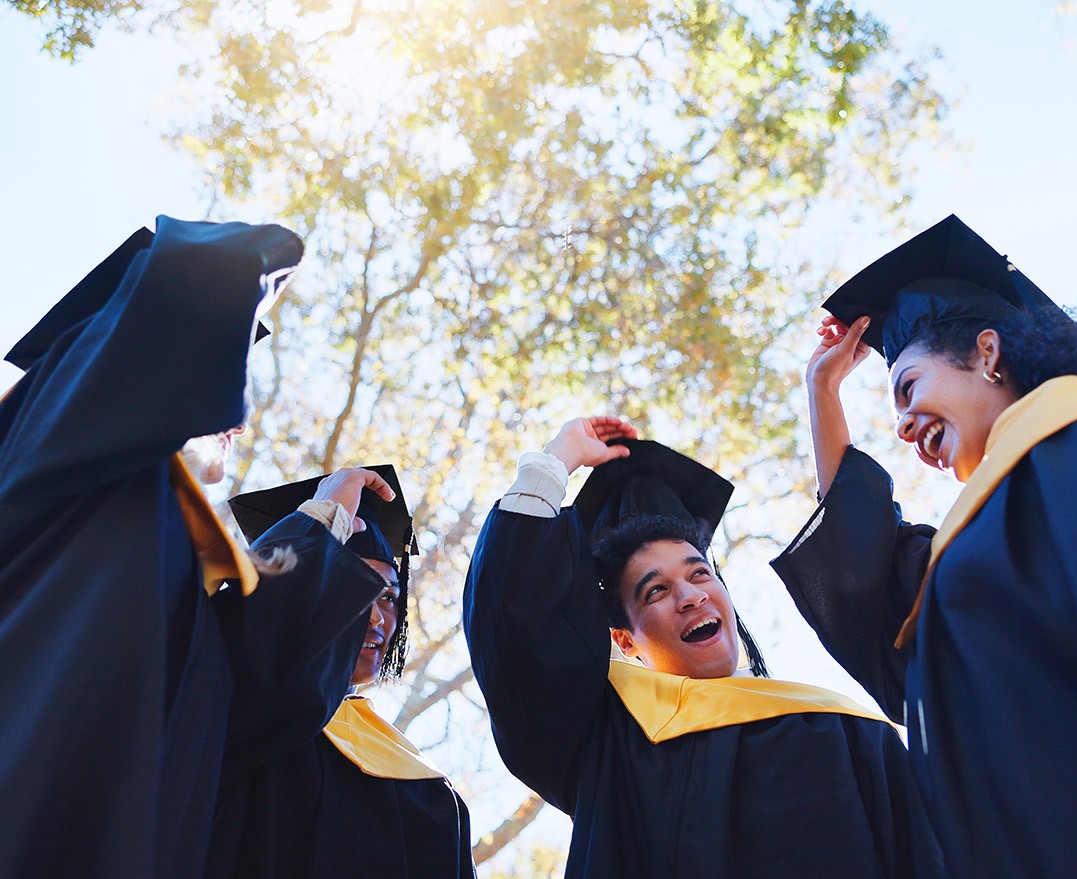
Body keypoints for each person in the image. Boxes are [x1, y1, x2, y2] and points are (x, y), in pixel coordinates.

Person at [780, 213, 1077, 878]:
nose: (904, 426)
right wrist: (820, 390)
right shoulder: (974, 542)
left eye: (908, 387)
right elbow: (868, 576)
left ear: (987, 352)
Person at [464, 418, 942, 879]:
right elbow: (513, 630)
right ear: (624, 640)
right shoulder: (605, 740)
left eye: (699, 574)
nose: (690, 596)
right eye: (655, 591)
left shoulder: (843, 728)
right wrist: (556, 460)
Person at [0, 217, 302, 879]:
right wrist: (252, 268)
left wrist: (329, 516)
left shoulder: (202, 585)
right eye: (226, 358)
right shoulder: (76, 456)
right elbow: (158, 316)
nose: (234, 407)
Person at [206, 465, 475, 879]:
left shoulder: (430, 797)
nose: (377, 618)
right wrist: (326, 515)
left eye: (388, 596)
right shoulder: (231, 719)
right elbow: (244, 645)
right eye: (352, 585)